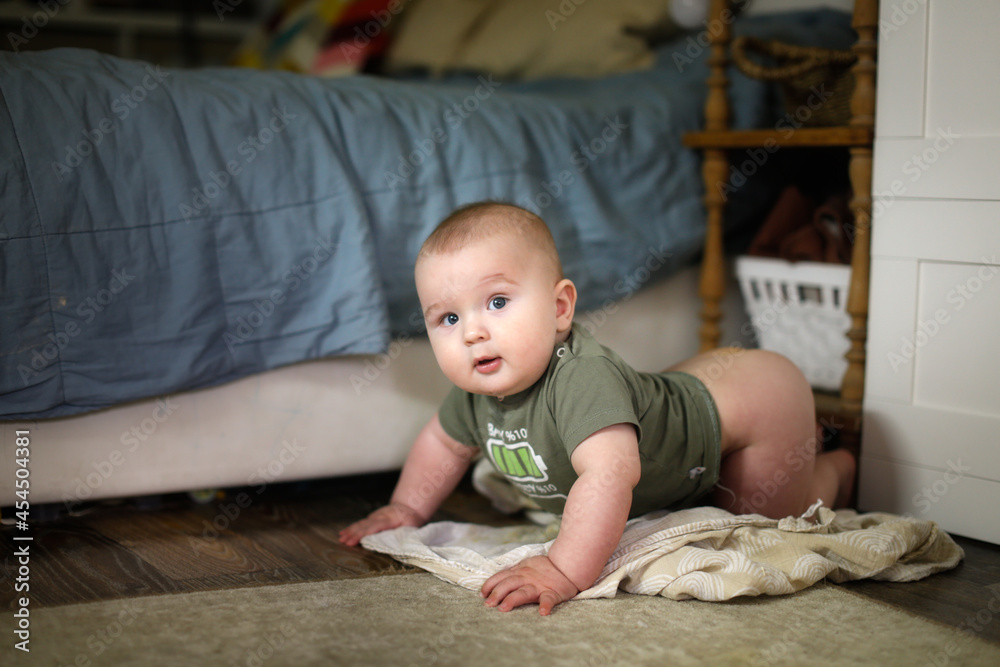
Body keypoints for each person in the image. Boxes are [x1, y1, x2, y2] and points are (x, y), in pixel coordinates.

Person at [339, 201, 855, 615]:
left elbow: (609, 474)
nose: (472, 332)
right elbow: (442, 442)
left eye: (497, 302)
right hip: (694, 397)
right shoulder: (473, 396)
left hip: (760, 400)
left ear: (559, 308)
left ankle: (835, 468)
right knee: (699, 490)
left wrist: (563, 568)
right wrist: (406, 509)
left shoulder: (581, 377)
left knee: (757, 522)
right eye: (448, 318)